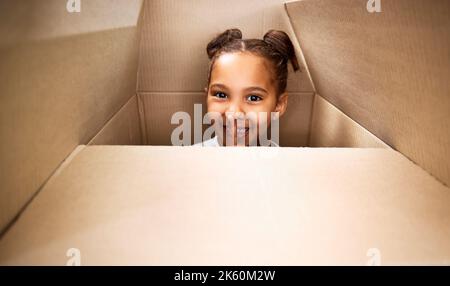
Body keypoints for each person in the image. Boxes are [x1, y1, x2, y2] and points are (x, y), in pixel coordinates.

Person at [196, 28, 299, 147]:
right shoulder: (188, 159)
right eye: (221, 95)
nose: (233, 114)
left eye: (253, 98)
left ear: (279, 104)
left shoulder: (287, 163)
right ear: (207, 95)